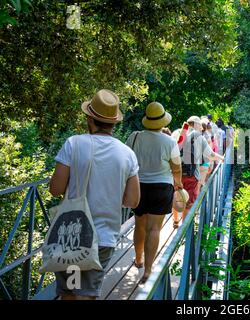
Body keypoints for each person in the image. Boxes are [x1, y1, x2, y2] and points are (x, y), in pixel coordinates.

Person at [49, 89, 140, 300]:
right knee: (88, 295)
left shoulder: (74, 143)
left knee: (70, 291)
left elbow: (55, 189)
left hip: (72, 236)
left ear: (90, 118)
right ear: (114, 122)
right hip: (104, 238)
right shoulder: (127, 154)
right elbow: (132, 200)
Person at [125, 102, 183, 284]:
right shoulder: (169, 142)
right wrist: (179, 184)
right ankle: (148, 270)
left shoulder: (134, 137)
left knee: (139, 225)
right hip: (161, 188)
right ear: (163, 121)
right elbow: (176, 168)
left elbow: (126, 160)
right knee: (154, 229)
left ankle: (139, 259)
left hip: (138, 186)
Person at [172, 116, 224, 225]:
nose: (201, 128)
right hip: (191, 175)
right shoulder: (198, 136)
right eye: (200, 125)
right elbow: (210, 154)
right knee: (189, 203)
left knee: (176, 197)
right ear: (196, 124)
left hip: (175, 174)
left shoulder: (178, 132)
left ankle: (175, 221)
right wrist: (221, 158)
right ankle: (184, 232)